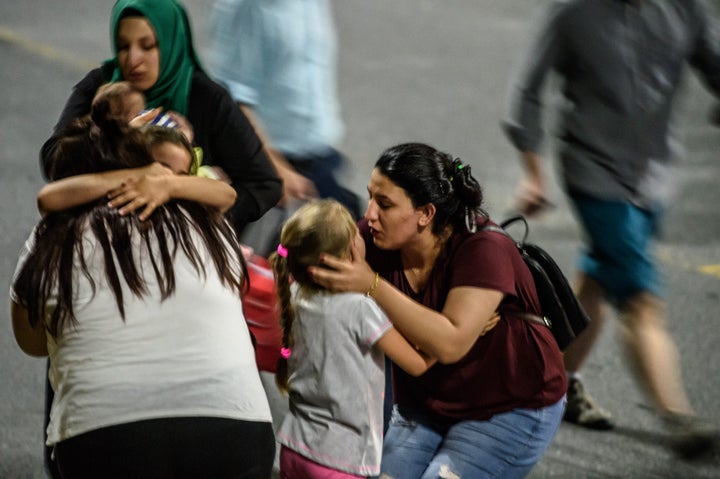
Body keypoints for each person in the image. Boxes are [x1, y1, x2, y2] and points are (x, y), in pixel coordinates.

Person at [501, 0, 720, 457]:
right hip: (593, 171)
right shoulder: (573, 12)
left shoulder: (685, 9)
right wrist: (532, 171)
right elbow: (526, 93)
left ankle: (552, 385)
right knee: (640, 299)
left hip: (654, 176)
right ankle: (677, 416)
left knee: (600, 277)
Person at [11, 107, 275, 478]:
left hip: (107, 437)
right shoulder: (205, 221)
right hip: (235, 429)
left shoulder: (52, 236)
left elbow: (33, 341)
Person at [309, 143, 567, 479]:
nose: (369, 214)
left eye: (384, 204)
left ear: (426, 214)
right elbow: (309, 267)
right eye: (370, 196)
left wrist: (372, 285)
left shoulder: (483, 249)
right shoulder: (372, 239)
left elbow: (449, 344)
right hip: (427, 403)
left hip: (510, 406)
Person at [40, 0, 282, 233]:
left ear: (170, 43)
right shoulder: (102, 88)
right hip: (104, 233)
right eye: (124, 46)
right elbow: (54, 161)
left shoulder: (207, 99)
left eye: (147, 46)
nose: (133, 59)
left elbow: (264, 186)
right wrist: (114, 137)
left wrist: (193, 211)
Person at [269, 199, 436, 478]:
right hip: (340, 460)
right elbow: (417, 363)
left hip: (294, 447)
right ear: (348, 254)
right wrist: (459, 335)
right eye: (356, 234)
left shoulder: (295, 294)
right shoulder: (360, 307)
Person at [206, 0, 362, 256]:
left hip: (317, 158)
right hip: (273, 167)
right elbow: (233, 97)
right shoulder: (246, 8)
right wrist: (274, 170)